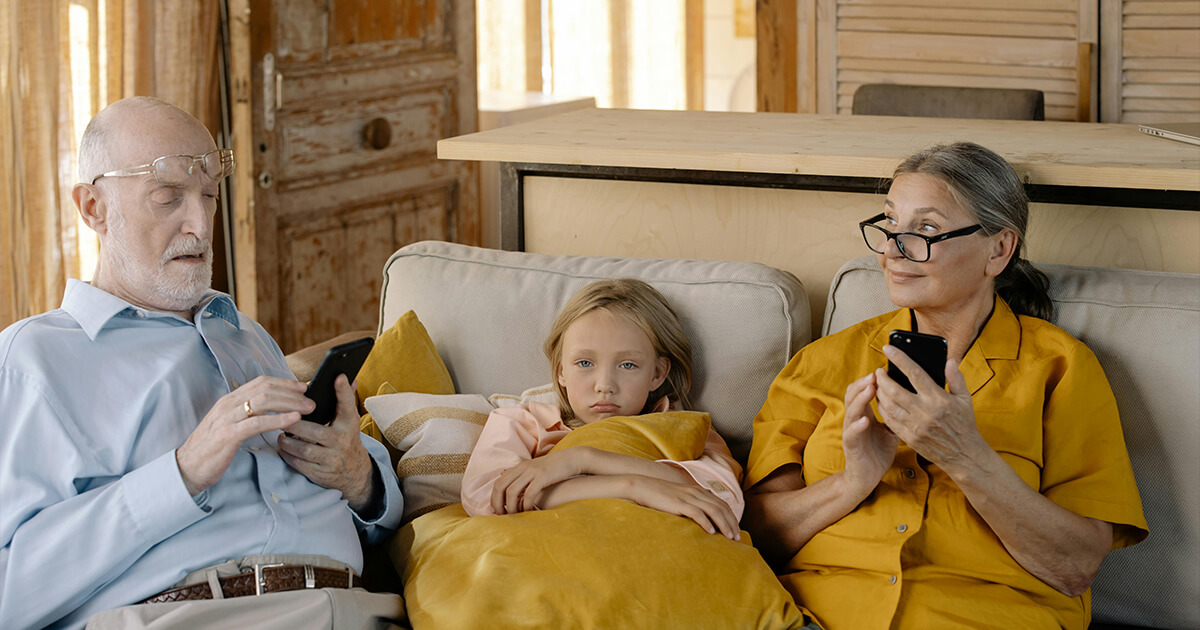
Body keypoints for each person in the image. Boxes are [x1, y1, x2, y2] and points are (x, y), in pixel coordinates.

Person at [0, 97, 404, 630]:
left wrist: (358, 476)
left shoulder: (245, 335)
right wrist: (184, 470)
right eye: (168, 198)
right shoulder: (35, 358)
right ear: (93, 208)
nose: (199, 222)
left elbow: (383, 513)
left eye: (209, 194)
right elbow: (12, 592)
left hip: (358, 610)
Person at [742, 142, 1148, 629]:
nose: (894, 249)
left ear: (998, 249)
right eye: (891, 224)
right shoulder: (824, 362)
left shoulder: (1060, 368)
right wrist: (852, 481)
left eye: (927, 229)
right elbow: (753, 538)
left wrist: (964, 455)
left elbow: (1074, 568)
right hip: (815, 617)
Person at [460, 278, 744, 540]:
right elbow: (488, 496)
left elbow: (722, 497)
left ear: (657, 374)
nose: (605, 385)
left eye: (628, 365)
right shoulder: (523, 424)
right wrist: (631, 487)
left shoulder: (687, 430)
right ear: (560, 371)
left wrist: (583, 460)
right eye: (585, 363)